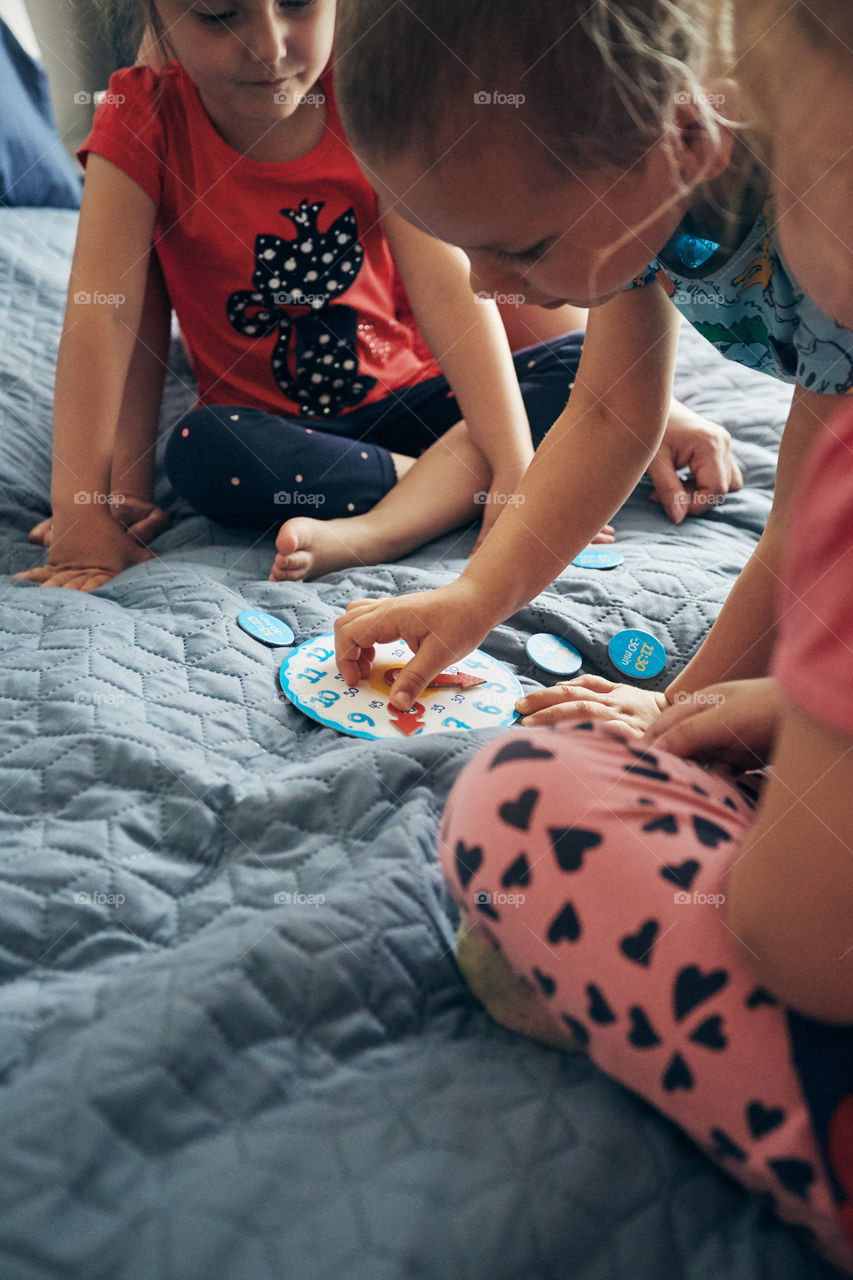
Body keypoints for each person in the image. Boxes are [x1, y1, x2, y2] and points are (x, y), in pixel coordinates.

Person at [333, 1, 853, 1268]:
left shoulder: (817, 229)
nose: (495, 292)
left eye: (517, 245)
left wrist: (679, 709)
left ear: (684, 132)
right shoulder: (659, 198)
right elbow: (614, 411)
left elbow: (806, 524)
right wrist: (472, 604)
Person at [14, 0, 733, 593]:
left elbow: (451, 288)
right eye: (217, 15)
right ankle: (450, 482)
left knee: (578, 367)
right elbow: (106, 319)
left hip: (415, 397)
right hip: (284, 435)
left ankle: (393, 520)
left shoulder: (360, 98)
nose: (269, 47)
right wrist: (87, 507)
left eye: (297, 5)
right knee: (204, 450)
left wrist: (518, 474)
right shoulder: (139, 117)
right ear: (158, 16)